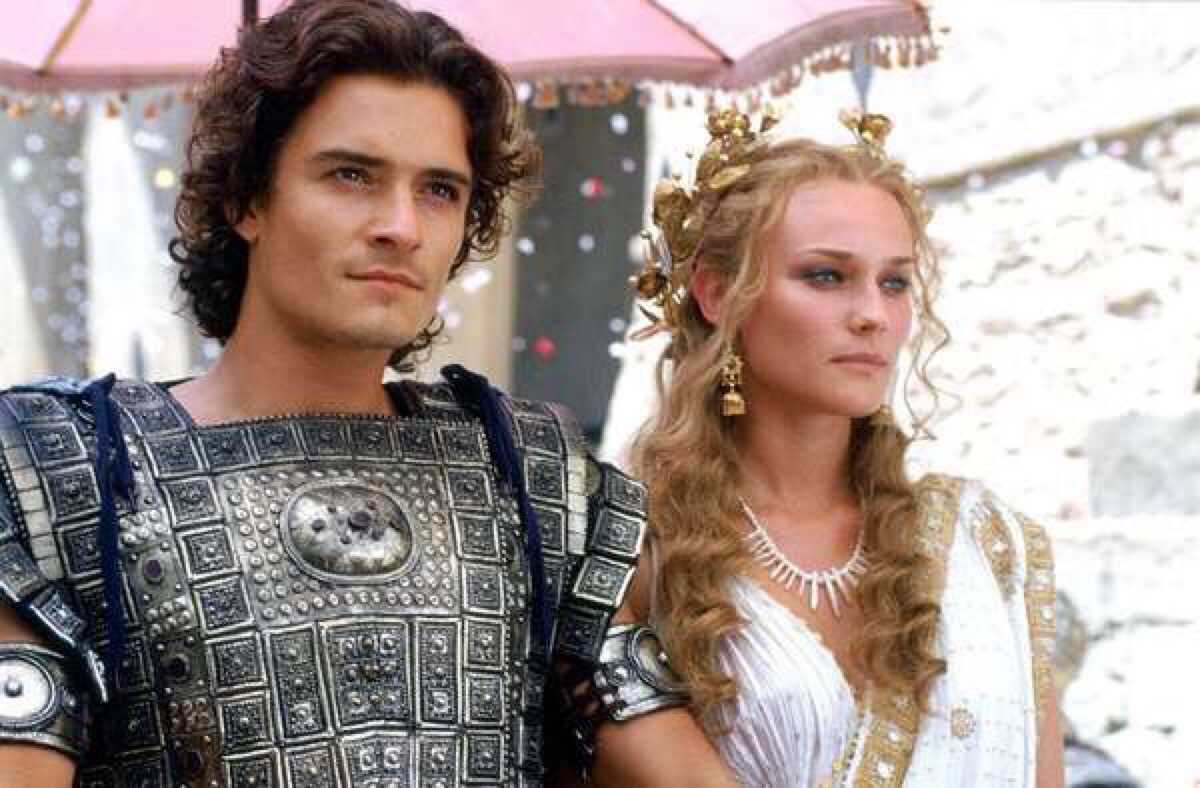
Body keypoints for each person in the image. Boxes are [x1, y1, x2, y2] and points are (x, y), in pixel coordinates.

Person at [0, 2, 717, 784]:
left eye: (439, 190)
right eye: (351, 175)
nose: (401, 227)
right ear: (247, 198)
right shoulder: (69, 471)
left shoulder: (531, 474)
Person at [621, 107, 1066, 786]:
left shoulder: (983, 544)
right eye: (827, 276)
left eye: (895, 282)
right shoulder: (642, 548)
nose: (873, 315)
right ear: (717, 293)